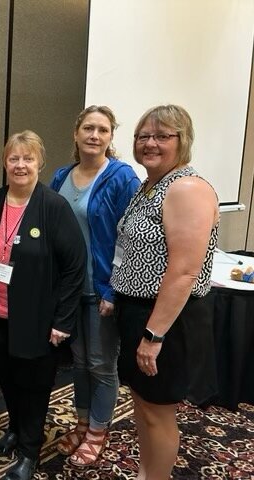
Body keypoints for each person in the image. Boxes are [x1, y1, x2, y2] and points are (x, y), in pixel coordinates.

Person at [110, 105, 219, 479]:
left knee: (157, 412)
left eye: (161, 136)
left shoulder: (187, 188)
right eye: (143, 136)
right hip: (138, 311)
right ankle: (147, 472)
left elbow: (185, 272)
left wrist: (153, 336)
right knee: (143, 404)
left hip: (165, 318)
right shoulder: (149, 186)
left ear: (182, 141)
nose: (149, 144)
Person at [0, 130, 87, 480]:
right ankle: (14, 428)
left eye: (28, 158)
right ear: (5, 162)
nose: (20, 165)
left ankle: (29, 452)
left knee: (34, 387)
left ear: (40, 162)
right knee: (6, 379)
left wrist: (63, 321)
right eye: (14, 158)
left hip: (38, 320)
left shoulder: (53, 207)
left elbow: (74, 266)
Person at [50, 106, 140, 466]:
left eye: (103, 130)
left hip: (102, 290)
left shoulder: (122, 177)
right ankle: (83, 423)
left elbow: (130, 239)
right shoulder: (60, 177)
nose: (94, 135)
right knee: (79, 362)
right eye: (88, 127)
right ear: (76, 133)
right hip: (70, 292)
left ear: (111, 137)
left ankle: (98, 431)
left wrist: (113, 290)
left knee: (102, 364)